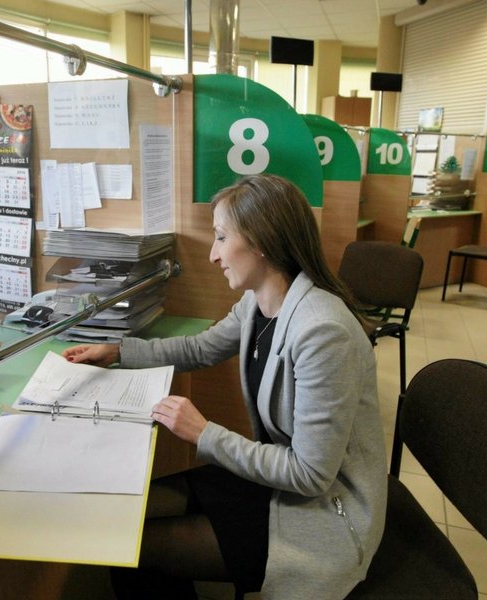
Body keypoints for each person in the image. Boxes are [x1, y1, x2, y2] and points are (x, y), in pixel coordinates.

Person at [63, 174, 387, 599]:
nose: (213, 254)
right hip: (274, 485)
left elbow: (310, 474)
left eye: (220, 237)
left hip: (325, 512)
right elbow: (201, 348)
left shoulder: (323, 332)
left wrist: (204, 433)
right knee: (131, 510)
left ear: (262, 241)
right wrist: (119, 351)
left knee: (130, 548)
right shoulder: (259, 301)